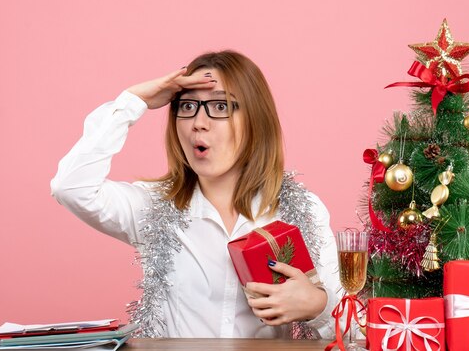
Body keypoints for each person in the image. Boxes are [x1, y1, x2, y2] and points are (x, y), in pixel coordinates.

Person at [50, 50, 341, 339]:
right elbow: (71, 187)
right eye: (187, 107)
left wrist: (318, 305)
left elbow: (354, 329)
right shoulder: (152, 207)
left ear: (255, 120)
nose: (198, 123)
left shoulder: (301, 210)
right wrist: (133, 102)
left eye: (219, 106)